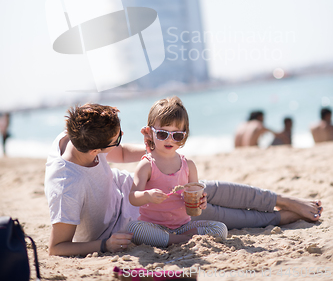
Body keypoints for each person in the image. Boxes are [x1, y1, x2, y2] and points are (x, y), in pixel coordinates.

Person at [45, 101, 323, 257]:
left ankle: (282, 199)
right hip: (140, 220)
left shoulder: (76, 133)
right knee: (223, 217)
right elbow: (57, 248)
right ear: (96, 149)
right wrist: (104, 245)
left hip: (141, 194)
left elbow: (119, 153)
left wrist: (154, 142)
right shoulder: (67, 187)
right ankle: (278, 217)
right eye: (117, 139)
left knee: (209, 190)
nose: (121, 141)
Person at [127, 97, 228, 247]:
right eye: (163, 134)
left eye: (177, 135)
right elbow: (133, 197)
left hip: (183, 227)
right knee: (134, 229)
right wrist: (148, 195)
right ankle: (182, 241)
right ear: (150, 132)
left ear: (184, 135)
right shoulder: (147, 165)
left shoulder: (189, 165)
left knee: (220, 229)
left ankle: (175, 239)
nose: (170, 140)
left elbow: (194, 197)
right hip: (154, 226)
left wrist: (201, 202)